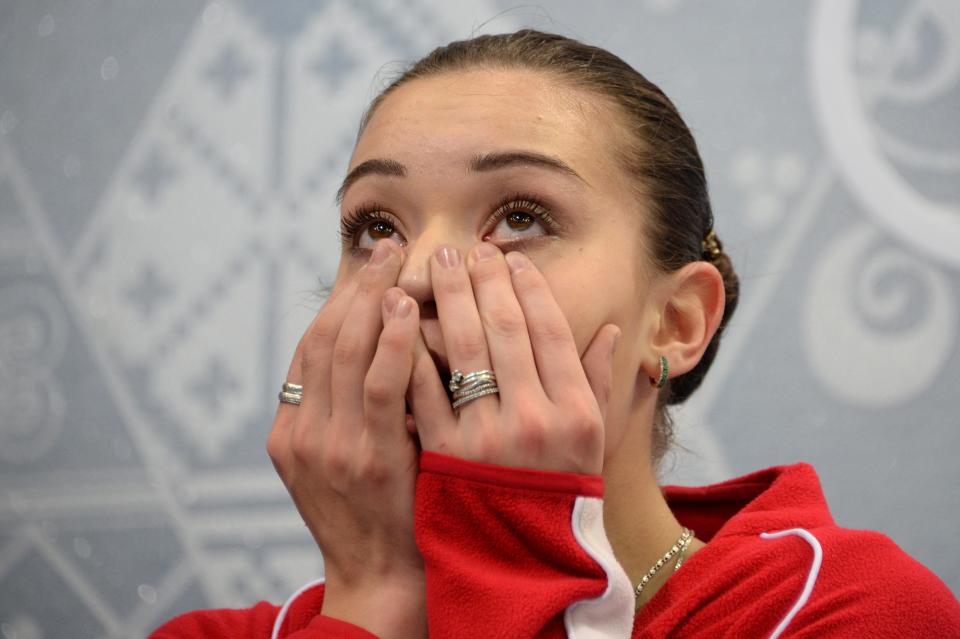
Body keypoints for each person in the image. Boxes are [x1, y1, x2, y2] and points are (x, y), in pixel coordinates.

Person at [151, 30, 960, 638]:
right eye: (375, 228)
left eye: (520, 217)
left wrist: (510, 551)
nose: (420, 274)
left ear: (676, 324)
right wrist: (372, 597)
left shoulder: (852, 611)